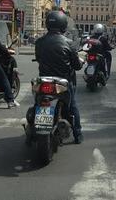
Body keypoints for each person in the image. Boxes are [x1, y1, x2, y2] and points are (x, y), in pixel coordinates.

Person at [35, 10, 84, 144]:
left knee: (38, 102)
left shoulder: (39, 42)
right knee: (72, 106)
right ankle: (78, 134)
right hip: (63, 82)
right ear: (63, 25)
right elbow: (77, 66)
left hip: (45, 80)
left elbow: (38, 58)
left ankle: (32, 130)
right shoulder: (69, 43)